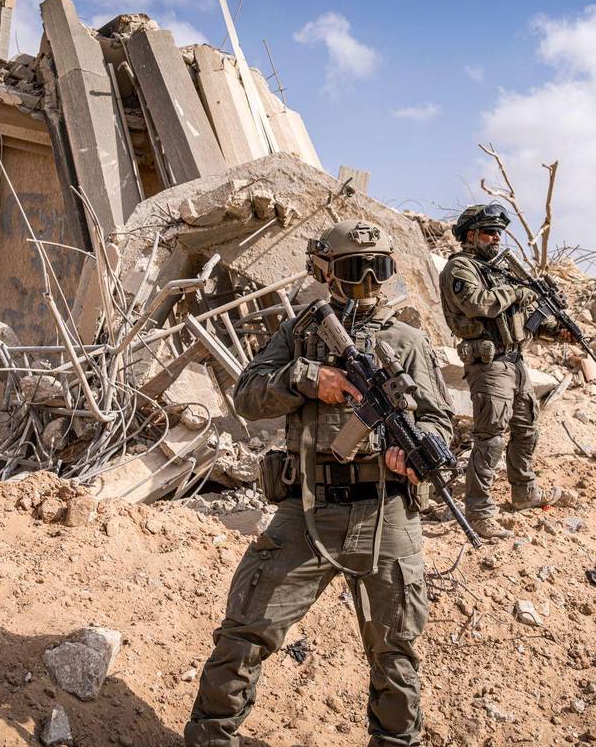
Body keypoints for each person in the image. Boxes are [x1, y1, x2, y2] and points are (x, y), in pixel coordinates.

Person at [186, 219, 453, 747]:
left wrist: (418, 450)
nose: (369, 282)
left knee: (395, 651)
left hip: (386, 512)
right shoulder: (299, 334)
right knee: (246, 632)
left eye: (379, 269)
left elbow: (439, 421)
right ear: (325, 272)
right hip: (308, 508)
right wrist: (309, 378)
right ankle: (210, 737)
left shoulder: (408, 340)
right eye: (356, 269)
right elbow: (247, 396)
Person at [437, 203, 567, 541]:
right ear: (470, 235)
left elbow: (523, 320)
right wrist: (519, 292)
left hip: (516, 361)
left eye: (499, 233)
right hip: (489, 364)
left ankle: (524, 491)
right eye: (489, 232)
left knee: (527, 430)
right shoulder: (460, 268)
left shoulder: (501, 272)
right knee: (490, 437)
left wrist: (557, 329)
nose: (496, 238)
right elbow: (478, 304)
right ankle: (479, 512)